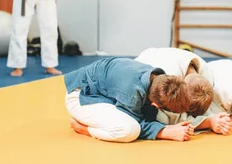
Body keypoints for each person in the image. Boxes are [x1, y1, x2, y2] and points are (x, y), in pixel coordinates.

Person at [65, 57, 194, 143]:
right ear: (155, 104)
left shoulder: (158, 78)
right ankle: (83, 128)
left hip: (104, 91)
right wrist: (165, 132)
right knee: (130, 130)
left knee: (162, 119)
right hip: (80, 97)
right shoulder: (131, 94)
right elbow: (138, 123)